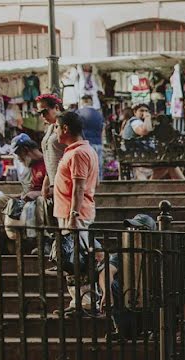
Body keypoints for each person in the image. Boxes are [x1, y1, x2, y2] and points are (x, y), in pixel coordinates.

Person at [53, 110, 100, 312]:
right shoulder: (79, 150)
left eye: (56, 127)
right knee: (73, 259)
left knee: (77, 260)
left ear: (65, 128)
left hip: (74, 215)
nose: (54, 131)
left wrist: (73, 214)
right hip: (71, 212)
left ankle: (87, 302)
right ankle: (79, 301)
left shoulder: (79, 153)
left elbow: (79, 186)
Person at [121, 103, 184, 180]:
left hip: (140, 155)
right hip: (136, 156)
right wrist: (147, 117)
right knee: (169, 163)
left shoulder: (140, 122)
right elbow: (143, 131)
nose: (144, 113)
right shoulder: (134, 121)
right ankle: (149, 185)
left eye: (146, 111)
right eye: (141, 110)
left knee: (170, 164)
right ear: (135, 112)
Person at [36, 94, 67, 207]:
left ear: (56, 108)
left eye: (45, 112)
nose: (43, 116)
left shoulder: (67, 125)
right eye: (40, 113)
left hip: (66, 179)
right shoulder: (50, 127)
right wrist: (46, 182)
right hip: (53, 180)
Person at [76, 94, 105, 173]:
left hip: (84, 145)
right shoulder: (99, 114)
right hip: (98, 144)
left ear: (82, 102)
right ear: (91, 102)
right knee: (98, 169)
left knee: (85, 170)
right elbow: (103, 131)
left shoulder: (78, 113)